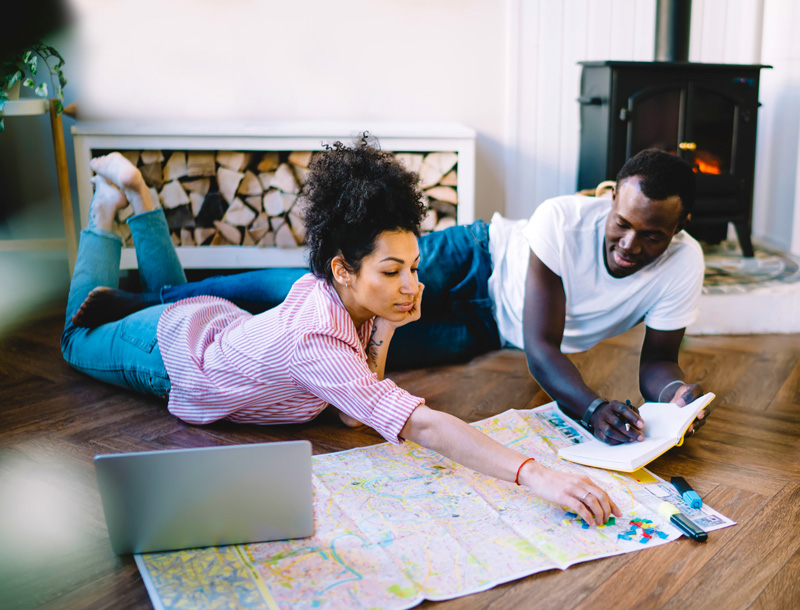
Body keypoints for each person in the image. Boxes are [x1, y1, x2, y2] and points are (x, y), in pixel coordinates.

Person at [62, 141, 620, 526]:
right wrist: (537, 476)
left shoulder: (352, 301)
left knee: (172, 292)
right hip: (167, 354)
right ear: (343, 269)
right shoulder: (318, 338)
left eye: (413, 267)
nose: (411, 285)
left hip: (212, 322)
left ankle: (141, 197)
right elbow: (420, 423)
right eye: (392, 272)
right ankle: (104, 215)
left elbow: (356, 409)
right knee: (73, 338)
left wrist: (388, 324)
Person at [71, 148, 713, 448]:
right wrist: (591, 410)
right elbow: (544, 348)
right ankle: (149, 300)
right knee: (321, 291)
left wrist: (677, 395)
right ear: (608, 200)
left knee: (347, 340)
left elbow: (658, 362)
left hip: (489, 328)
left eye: (652, 236)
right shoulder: (561, 219)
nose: (629, 244)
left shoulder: (684, 265)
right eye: (621, 224)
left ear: (680, 230)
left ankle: (145, 253)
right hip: (478, 260)